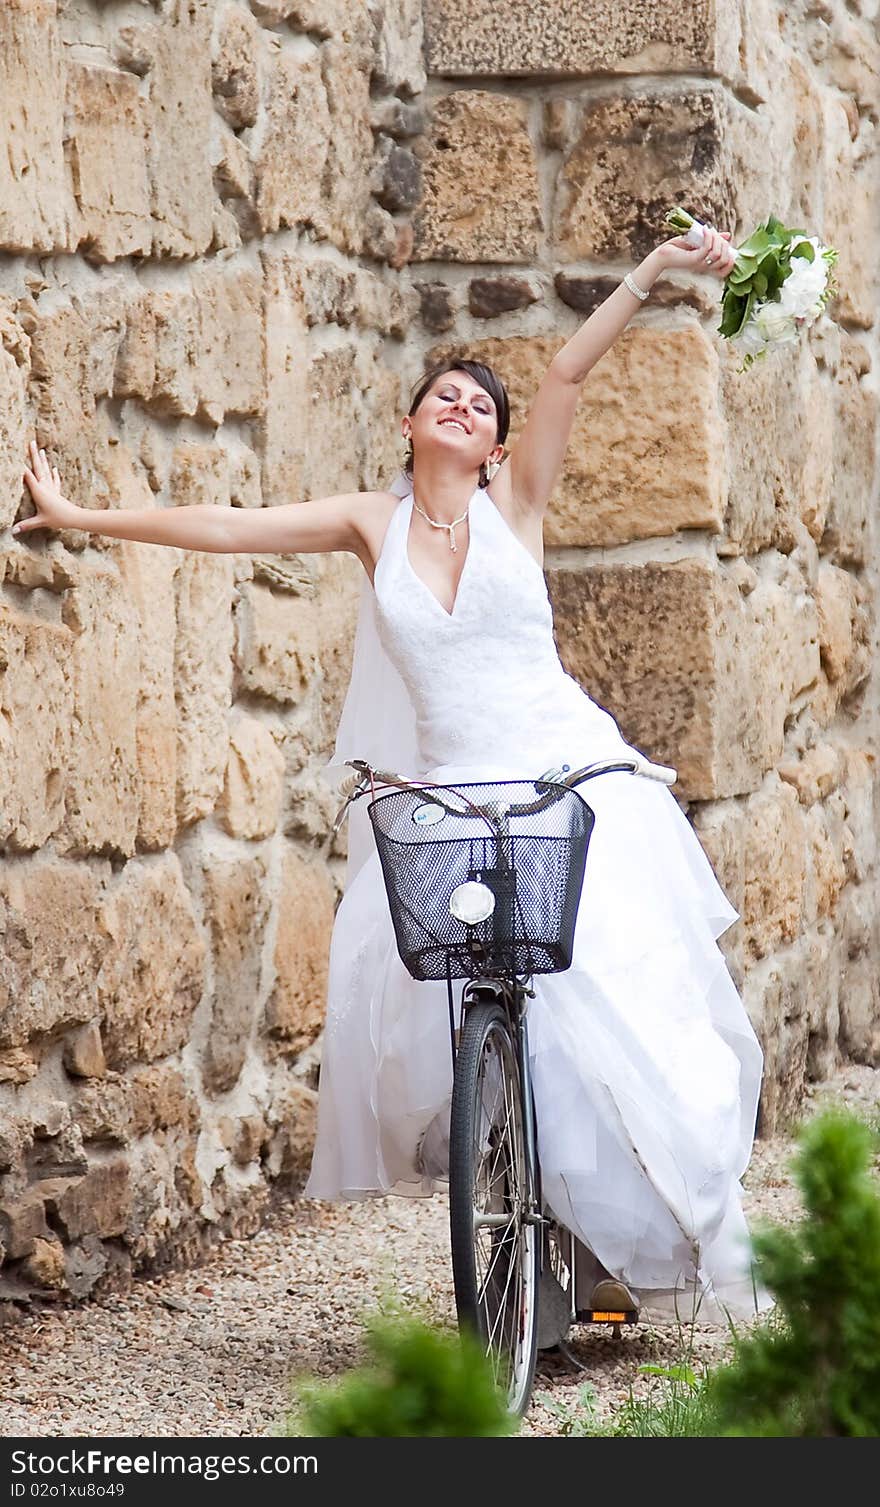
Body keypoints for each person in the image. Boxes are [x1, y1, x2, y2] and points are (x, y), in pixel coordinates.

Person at [18, 224, 766, 1322]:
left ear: (500, 448)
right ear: (411, 422)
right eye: (445, 396)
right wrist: (83, 516)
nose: (463, 406)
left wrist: (650, 275)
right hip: (460, 789)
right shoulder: (373, 524)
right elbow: (231, 527)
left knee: (615, 1016)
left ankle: (607, 1246)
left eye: (481, 406)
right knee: (508, 1018)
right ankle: (532, 1238)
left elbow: (564, 368)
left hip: (566, 772)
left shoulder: (519, 510)